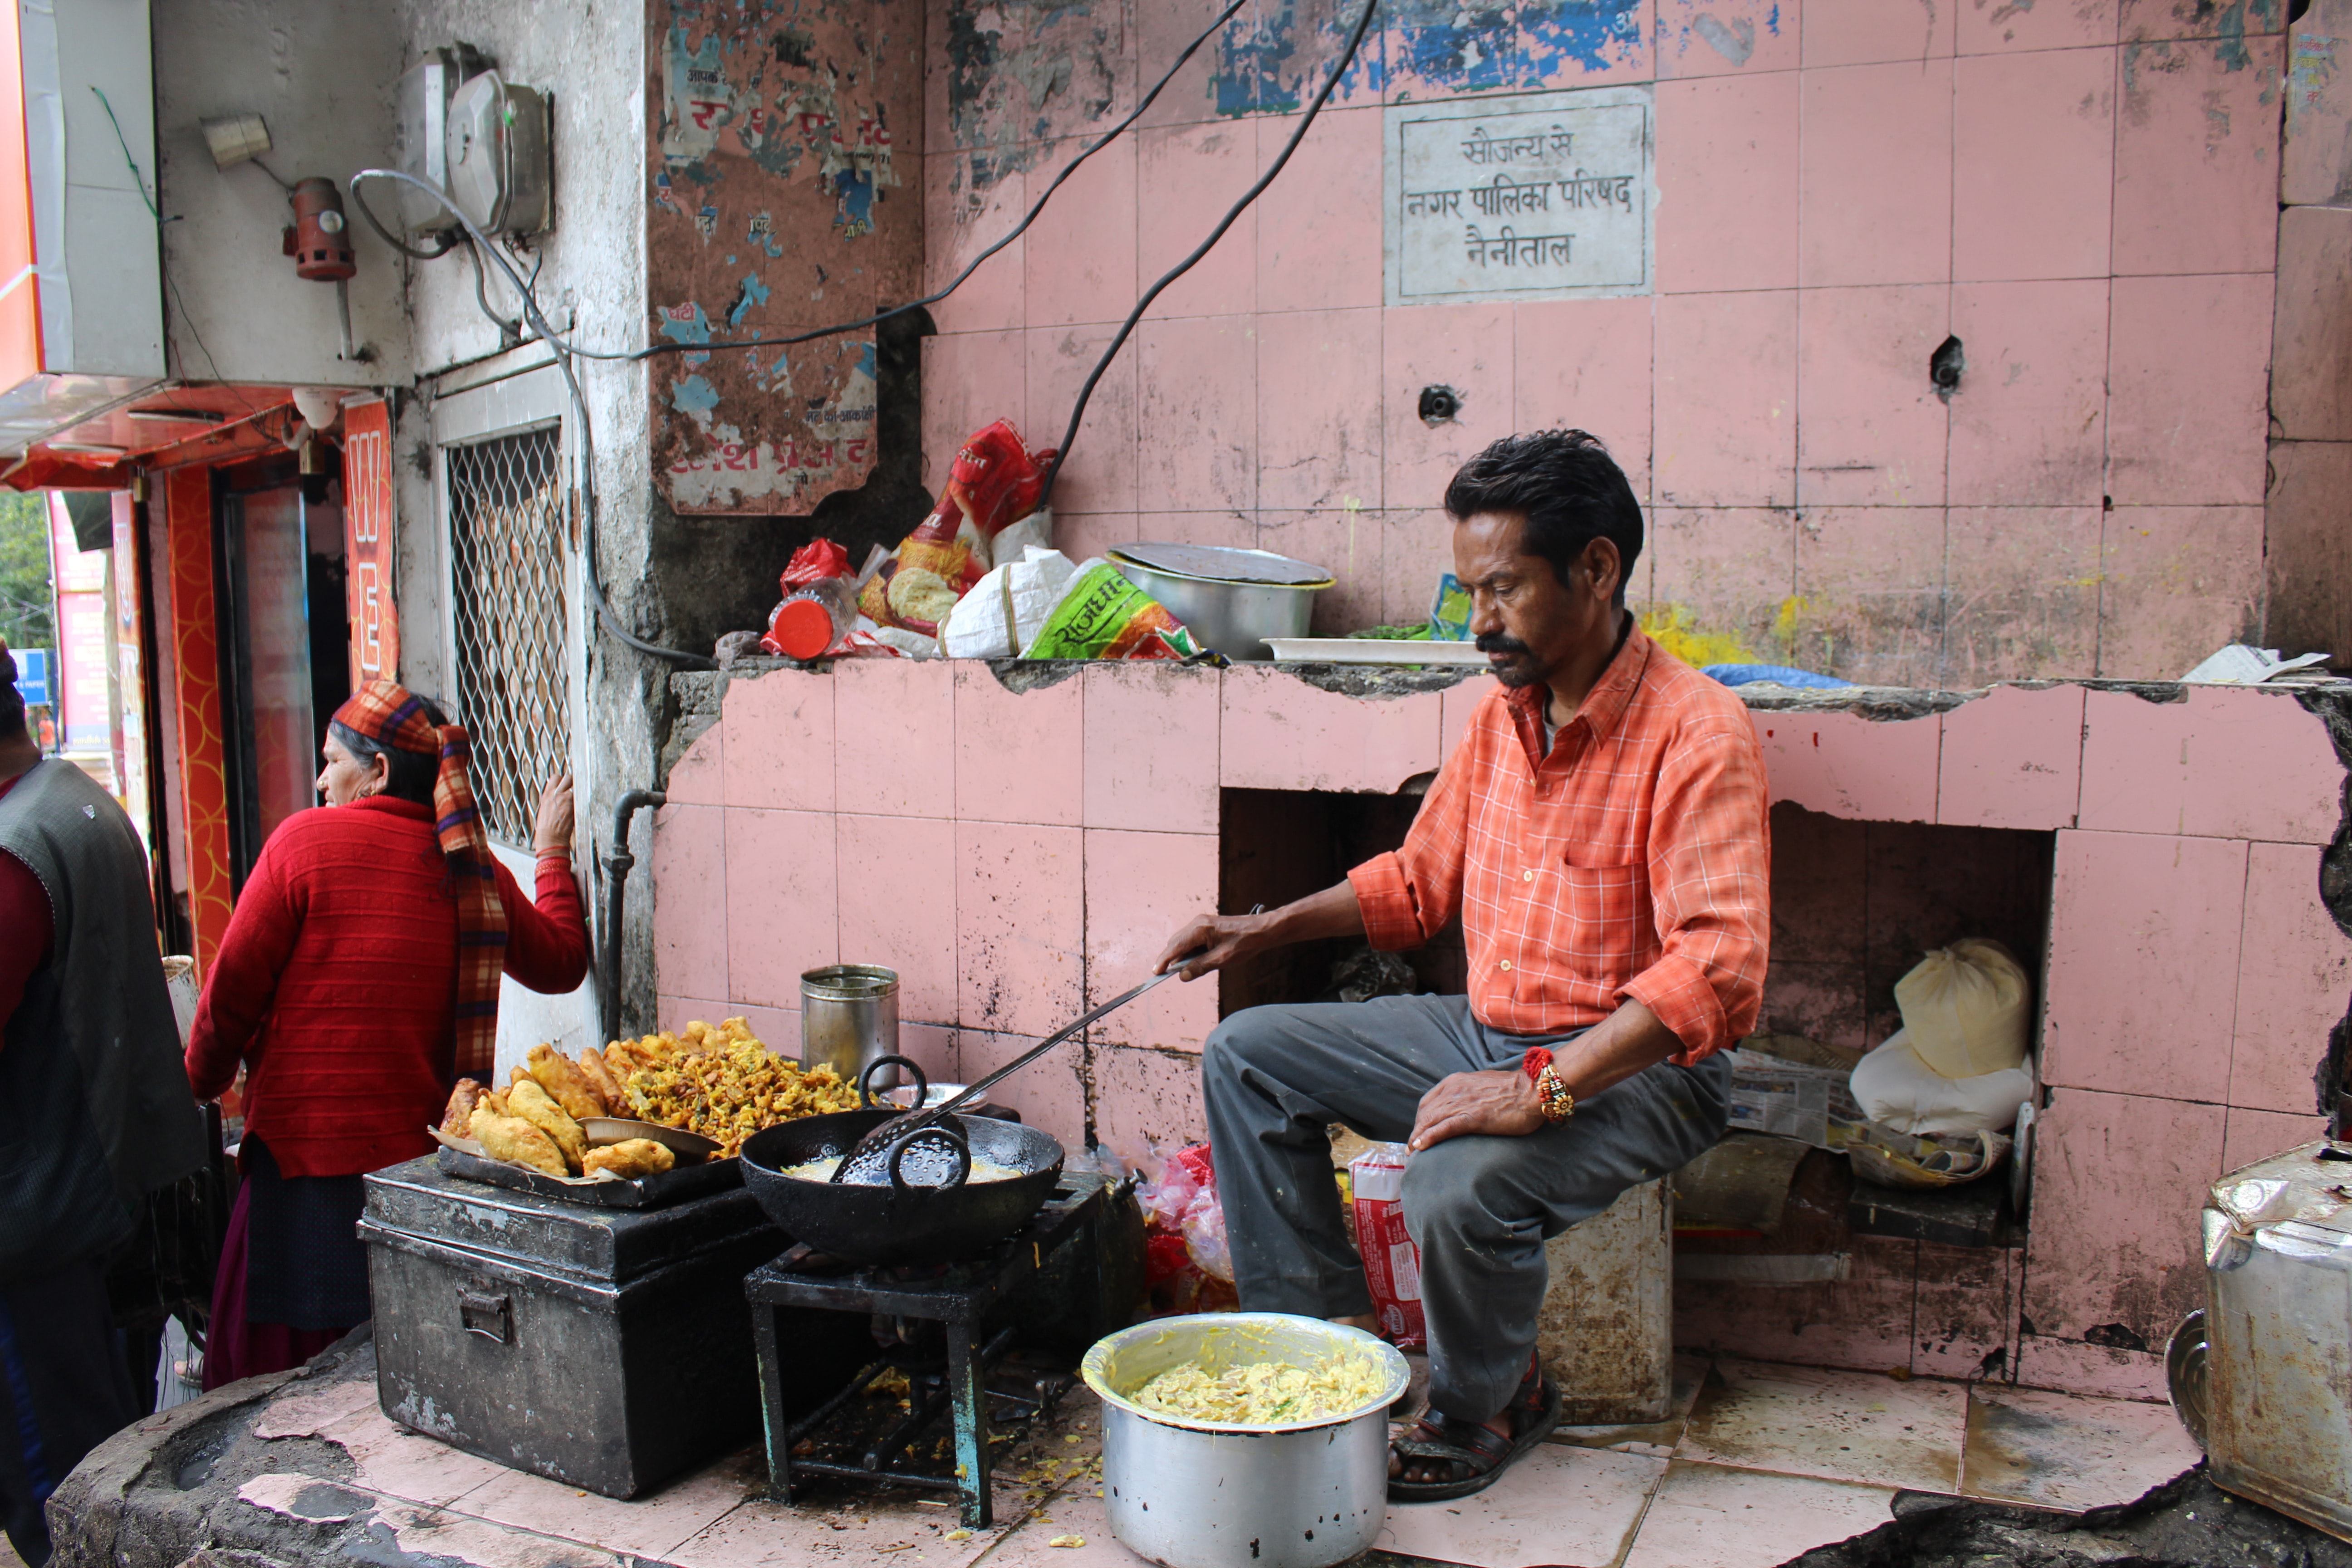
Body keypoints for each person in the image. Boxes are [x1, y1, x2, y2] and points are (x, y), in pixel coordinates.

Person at [1155, 431, 1770, 1502]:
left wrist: (1540, 1089)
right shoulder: (1502, 719)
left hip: (1642, 1072)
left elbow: (1717, 969)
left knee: (1452, 1185)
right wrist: (1262, 929)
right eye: (1469, 591)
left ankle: (1489, 1402)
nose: (1478, 621)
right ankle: (1330, 1347)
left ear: (1595, 569)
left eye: (1504, 589)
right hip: (1488, 1033)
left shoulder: (1698, 732)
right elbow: (1417, 882)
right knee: (1247, 1055)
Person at [185, 680, 589, 1388]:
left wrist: (201, 1082)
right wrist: (551, 852)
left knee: (282, 1391)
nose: (320, 780)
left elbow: (229, 1000)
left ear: (376, 771)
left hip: (303, 1176)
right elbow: (561, 963)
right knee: (401, 1373)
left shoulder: (302, 843)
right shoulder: (472, 868)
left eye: (331, 761)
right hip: (419, 1183)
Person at [0, 639, 207, 1567]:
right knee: (106, 1458)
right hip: (110, 1188)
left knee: (56, 1491)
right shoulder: (78, 799)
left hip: (34, 1218)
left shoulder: (14, 852)